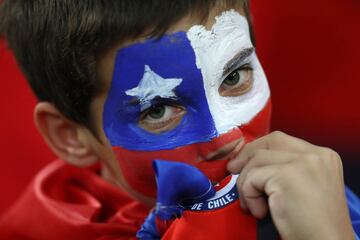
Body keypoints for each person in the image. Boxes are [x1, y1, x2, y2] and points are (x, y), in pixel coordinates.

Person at [0, 0, 359, 239]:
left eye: (233, 77)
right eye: (157, 110)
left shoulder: (328, 203)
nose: (225, 137)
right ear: (70, 137)